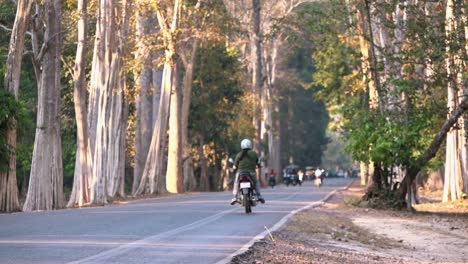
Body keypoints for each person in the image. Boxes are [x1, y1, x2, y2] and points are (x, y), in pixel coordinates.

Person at [230, 139, 265, 205]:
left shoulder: (238, 154)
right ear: (250, 145)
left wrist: (234, 170)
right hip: (251, 173)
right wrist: (259, 166)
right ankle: (259, 195)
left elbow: (235, 166)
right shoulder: (254, 154)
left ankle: (234, 197)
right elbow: (258, 163)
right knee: (256, 182)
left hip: (240, 172)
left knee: (236, 183)